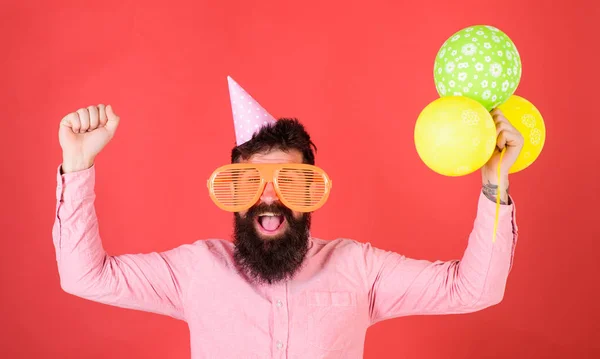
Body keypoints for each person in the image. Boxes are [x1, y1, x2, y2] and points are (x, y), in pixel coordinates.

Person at [53, 77, 521, 358]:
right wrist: (77, 164)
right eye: (249, 183)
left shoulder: (358, 269)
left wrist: (495, 179)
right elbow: (84, 276)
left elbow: (475, 289)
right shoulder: (194, 272)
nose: (270, 198)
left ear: (312, 195)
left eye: (292, 183)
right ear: (232, 194)